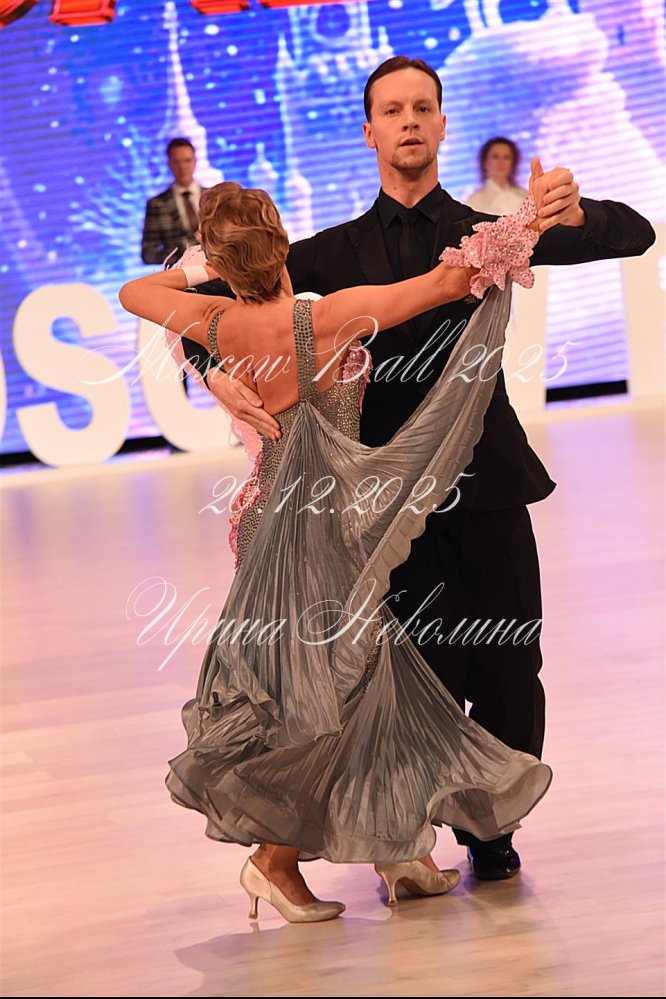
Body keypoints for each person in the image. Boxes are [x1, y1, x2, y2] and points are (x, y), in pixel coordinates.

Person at [173, 57, 655, 881]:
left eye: (422, 108)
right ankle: (401, 836)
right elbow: (204, 311)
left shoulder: (490, 233)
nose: (408, 121)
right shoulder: (325, 255)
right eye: (392, 110)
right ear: (369, 131)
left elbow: (633, 233)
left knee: (510, 665)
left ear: (441, 125)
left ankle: (491, 828)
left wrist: (576, 211)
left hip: (488, 483)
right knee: (409, 675)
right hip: (382, 508)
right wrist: (214, 373)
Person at [119, 180, 553, 923]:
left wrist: (204, 282)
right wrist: (522, 225)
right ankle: (275, 862)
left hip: (268, 520)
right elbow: (444, 285)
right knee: (332, 691)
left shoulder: (214, 322)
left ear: (222, 258)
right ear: (283, 244)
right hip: (326, 529)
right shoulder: (323, 318)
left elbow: (135, 292)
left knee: (344, 682)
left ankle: (396, 847)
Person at [141, 137, 206, 265]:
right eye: (177, 162)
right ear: (169, 164)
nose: (183, 167)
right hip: (178, 274)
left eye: (187, 161)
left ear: (195, 161)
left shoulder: (212, 198)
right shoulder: (157, 204)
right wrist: (179, 256)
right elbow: (148, 253)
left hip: (213, 272)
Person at [466, 136, 528, 215]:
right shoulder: (474, 201)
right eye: (495, 157)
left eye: (506, 157)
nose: (501, 162)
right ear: (485, 162)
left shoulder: (525, 197)